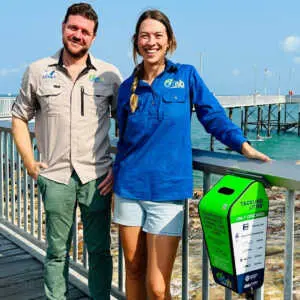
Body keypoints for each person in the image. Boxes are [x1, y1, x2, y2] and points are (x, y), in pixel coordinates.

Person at [113, 9, 270, 300]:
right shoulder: (125, 88)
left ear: (169, 41)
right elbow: (124, 138)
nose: (151, 42)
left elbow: (212, 116)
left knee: (158, 288)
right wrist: (113, 171)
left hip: (169, 191)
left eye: (158, 36)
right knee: (133, 271)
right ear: (136, 42)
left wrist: (243, 146)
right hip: (128, 188)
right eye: (145, 36)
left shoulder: (186, 76)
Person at [11, 3, 122, 299]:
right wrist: (29, 162)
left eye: (85, 31)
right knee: (57, 250)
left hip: (97, 177)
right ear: (63, 27)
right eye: (73, 28)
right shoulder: (37, 71)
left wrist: (119, 165)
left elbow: (127, 125)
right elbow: (19, 117)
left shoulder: (110, 74)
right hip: (55, 175)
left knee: (99, 250)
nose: (78, 35)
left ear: (93, 38)